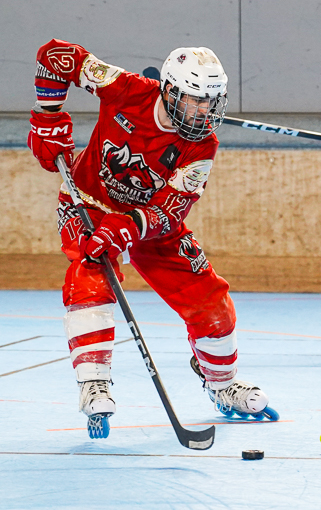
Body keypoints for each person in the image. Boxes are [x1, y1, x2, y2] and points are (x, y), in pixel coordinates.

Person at [28, 40, 277, 439]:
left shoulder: (202, 144)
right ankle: (95, 380)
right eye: (195, 101)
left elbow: (171, 210)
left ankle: (222, 383)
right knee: (92, 275)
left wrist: (127, 226)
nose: (204, 112)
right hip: (89, 202)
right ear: (170, 91)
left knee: (211, 303)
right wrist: (48, 118)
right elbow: (56, 57)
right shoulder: (124, 89)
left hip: (150, 223)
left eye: (212, 102)